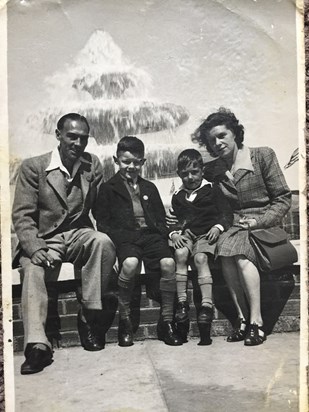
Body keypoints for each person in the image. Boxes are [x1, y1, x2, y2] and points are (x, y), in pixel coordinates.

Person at [12, 113, 116, 374]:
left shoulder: (92, 166)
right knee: (32, 270)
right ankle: (38, 346)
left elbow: (101, 211)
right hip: (44, 238)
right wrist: (34, 248)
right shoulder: (34, 167)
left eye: (83, 138)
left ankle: (89, 318)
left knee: (102, 243)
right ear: (58, 135)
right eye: (72, 136)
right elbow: (22, 215)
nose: (78, 143)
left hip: (78, 234)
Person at [191, 107, 291, 346]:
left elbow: (283, 198)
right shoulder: (215, 170)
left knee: (241, 256)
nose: (217, 143)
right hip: (236, 226)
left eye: (222, 135)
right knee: (225, 251)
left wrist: (260, 220)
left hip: (263, 225)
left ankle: (256, 322)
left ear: (235, 133)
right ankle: (242, 319)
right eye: (211, 140)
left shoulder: (262, 156)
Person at [97, 136, 182, 347]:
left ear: (143, 162)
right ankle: (124, 321)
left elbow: (160, 220)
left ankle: (167, 321)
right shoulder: (109, 188)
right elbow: (103, 223)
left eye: (136, 162)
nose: (131, 166)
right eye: (126, 161)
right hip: (126, 238)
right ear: (116, 160)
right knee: (130, 264)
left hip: (151, 237)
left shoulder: (149, 187)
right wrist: (116, 246)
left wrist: (167, 234)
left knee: (169, 263)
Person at [169, 149, 232, 345]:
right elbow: (173, 222)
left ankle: (206, 306)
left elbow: (226, 213)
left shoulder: (212, 189)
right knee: (179, 253)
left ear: (202, 171)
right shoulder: (178, 196)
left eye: (194, 172)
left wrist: (218, 226)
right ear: (179, 174)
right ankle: (181, 303)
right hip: (188, 234)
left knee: (200, 258)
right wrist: (174, 234)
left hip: (206, 234)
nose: (190, 177)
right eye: (185, 173)